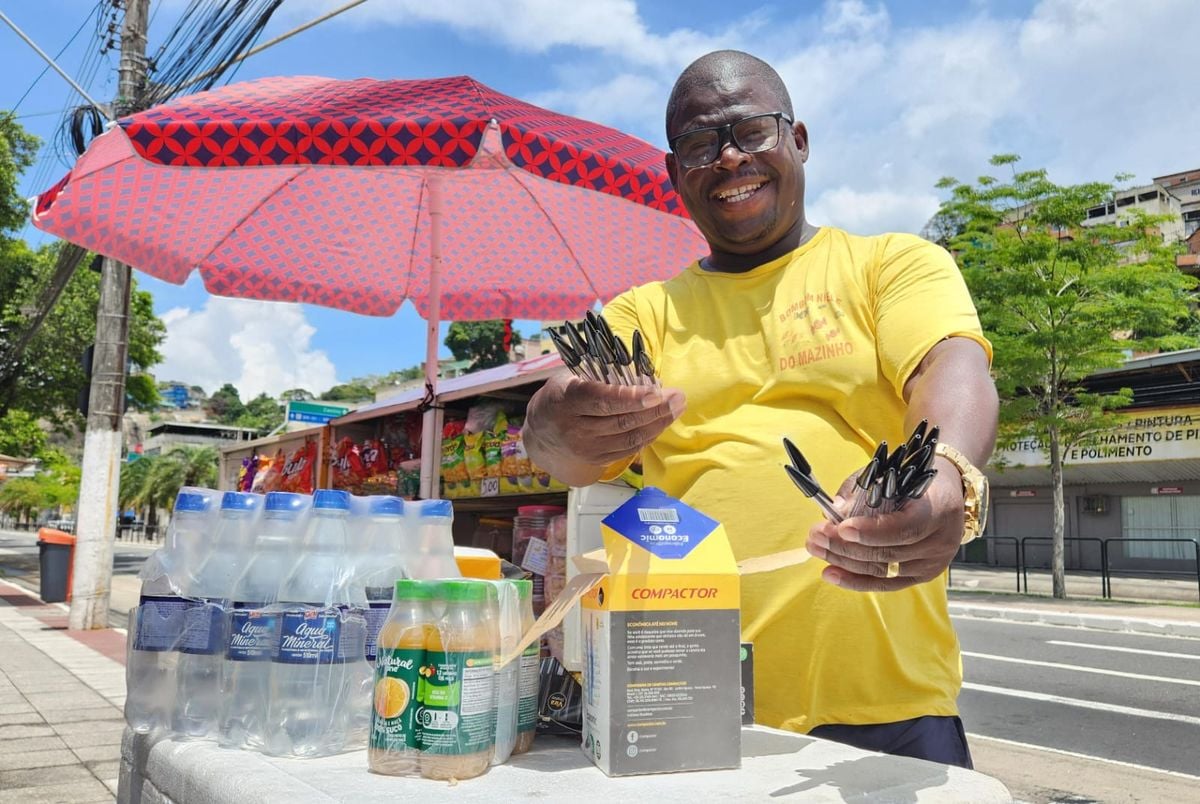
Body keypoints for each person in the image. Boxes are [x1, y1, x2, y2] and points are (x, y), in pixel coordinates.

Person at [522, 49, 998, 768]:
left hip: (887, 709)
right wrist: (554, 420)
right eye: (698, 144)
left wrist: (946, 476)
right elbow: (562, 446)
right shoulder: (641, 314)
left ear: (798, 140)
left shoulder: (891, 265)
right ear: (673, 171)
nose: (728, 159)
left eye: (751, 132)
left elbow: (950, 366)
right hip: (684, 706)